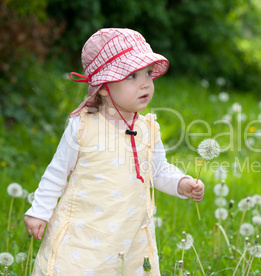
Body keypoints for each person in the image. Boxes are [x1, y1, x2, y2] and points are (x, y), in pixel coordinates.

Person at [24, 28, 205, 276]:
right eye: (131, 75)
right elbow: (57, 172)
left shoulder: (148, 129)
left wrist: (181, 183)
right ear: (103, 87)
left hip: (130, 236)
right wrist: (39, 211)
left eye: (148, 74)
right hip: (85, 233)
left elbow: (158, 170)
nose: (145, 83)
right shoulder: (84, 126)